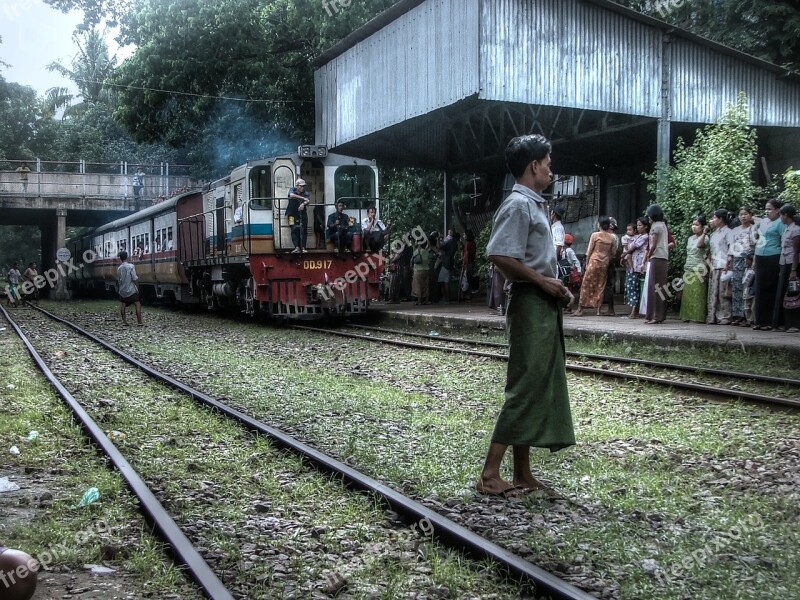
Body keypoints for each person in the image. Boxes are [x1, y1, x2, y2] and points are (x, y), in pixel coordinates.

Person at [477, 134, 575, 498]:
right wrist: (543, 282)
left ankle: (521, 473)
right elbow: (499, 255)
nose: (552, 169)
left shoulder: (533, 205)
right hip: (530, 304)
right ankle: (490, 474)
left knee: (534, 385)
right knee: (524, 387)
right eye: (548, 162)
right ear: (534, 165)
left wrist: (553, 285)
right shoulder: (518, 205)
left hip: (541, 303)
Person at [571, 216, 617, 316]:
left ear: (599, 225)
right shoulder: (612, 237)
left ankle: (580, 309)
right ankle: (598, 310)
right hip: (604, 263)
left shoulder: (595, 235)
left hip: (594, 261)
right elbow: (613, 253)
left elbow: (589, 250)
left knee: (586, 284)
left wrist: (587, 264)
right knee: (601, 285)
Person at [752, 199, 786, 330]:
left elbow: (784, 242)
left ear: (777, 210)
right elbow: (758, 240)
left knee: (770, 288)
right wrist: (755, 258)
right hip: (760, 256)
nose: (767, 212)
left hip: (773, 256)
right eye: (766, 209)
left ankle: (769, 321)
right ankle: (759, 321)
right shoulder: (763, 222)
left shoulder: (780, 223)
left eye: (770, 209)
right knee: (759, 288)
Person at [727, 207, 757, 326]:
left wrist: (752, 259)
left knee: (747, 287)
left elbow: (755, 245)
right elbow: (731, 247)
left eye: (746, 214)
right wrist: (729, 260)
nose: (743, 216)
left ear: (750, 215)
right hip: (737, 259)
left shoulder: (754, 229)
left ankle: (748, 316)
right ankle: (738, 315)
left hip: (749, 259)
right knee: (737, 287)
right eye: (741, 214)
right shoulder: (734, 230)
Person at [679, 216, 709, 323]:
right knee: (688, 295)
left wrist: (704, 233)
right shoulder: (690, 238)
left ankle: (698, 317)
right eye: (693, 224)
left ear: (702, 226)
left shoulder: (705, 238)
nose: (694, 227)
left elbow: (700, 245)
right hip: (689, 267)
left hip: (699, 268)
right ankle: (687, 316)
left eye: (697, 225)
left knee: (698, 294)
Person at [643, 204, 670, 324]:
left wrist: (648, 255)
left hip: (656, 257)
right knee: (660, 287)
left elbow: (653, 244)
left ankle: (654, 315)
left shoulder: (655, 226)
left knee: (654, 286)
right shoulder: (663, 225)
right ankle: (659, 315)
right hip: (663, 258)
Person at [775, 204, 800, 332]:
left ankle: (795, 324)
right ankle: (785, 323)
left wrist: (794, 270)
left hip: (792, 263)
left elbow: (796, 251)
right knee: (784, 294)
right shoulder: (786, 228)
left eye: (781, 215)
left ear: (785, 215)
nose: (780, 218)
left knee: (793, 294)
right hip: (784, 263)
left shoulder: (796, 229)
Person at [707, 209, 734, 325]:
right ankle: (714, 316)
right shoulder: (713, 234)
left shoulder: (729, 232)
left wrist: (728, 265)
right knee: (714, 292)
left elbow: (731, 249)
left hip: (724, 266)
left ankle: (726, 316)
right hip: (715, 265)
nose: (711, 220)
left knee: (723, 292)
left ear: (720, 219)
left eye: (714, 218)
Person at [622, 220, 648, 319]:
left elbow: (633, 247)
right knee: (634, 288)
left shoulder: (644, 237)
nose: (638, 227)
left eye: (640, 225)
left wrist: (624, 254)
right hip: (635, 264)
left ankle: (634, 312)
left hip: (638, 266)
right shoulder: (640, 236)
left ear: (645, 226)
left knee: (634, 288)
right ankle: (634, 310)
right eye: (637, 225)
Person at [117, 251, 143, 326]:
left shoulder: (119, 268)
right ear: (127, 257)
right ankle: (139, 322)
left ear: (120, 258)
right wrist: (137, 287)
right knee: (137, 304)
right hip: (131, 290)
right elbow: (134, 278)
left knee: (123, 304)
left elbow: (119, 280)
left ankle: (124, 322)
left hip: (122, 291)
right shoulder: (131, 266)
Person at [286, 178, 310, 253]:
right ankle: (296, 247)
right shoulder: (292, 190)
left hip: (302, 214)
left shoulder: (306, 193)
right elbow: (291, 195)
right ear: (297, 186)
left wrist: (303, 204)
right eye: (301, 186)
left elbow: (308, 200)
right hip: (291, 214)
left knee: (303, 230)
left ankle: (303, 247)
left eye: (303, 186)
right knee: (293, 229)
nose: (302, 187)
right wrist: (303, 198)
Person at [437, 230, 460, 304]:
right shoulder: (456, 244)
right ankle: (447, 298)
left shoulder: (450, 242)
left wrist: (438, 238)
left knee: (442, 281)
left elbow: (439, 246)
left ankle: (446, 299)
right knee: (446, 281)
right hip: (451, 263)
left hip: (446, 263)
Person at [411, 238, 435, 304]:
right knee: (426, 286)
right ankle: (426, 300)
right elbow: (429, 261)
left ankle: (419, 300)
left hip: (417, 270)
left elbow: (412, 260)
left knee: (418, 285)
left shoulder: (415, 252)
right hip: (426, 270)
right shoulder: (426, 252)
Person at [460, 229, 478, 300]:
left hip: (467, 263)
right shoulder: (473, 243)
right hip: (471, 262)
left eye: (464, 234)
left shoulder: (467, 244)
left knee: (466, 278)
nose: (463, 236)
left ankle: (466, 295)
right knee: (469, 278)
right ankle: (469, 294)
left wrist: (465, 264)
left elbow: (466, 255)